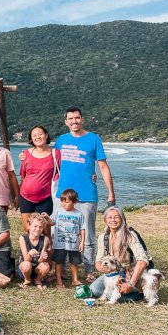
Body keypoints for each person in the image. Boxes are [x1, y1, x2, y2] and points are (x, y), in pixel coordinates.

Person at [56, 106, 115, 282]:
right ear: (66, 122)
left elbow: (103, 166)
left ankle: (89, 269)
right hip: (64, 195)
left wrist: (111, 193)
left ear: (82, 119)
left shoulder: (93, 139)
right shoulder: (61, 140)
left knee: (87, 233)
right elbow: (48, 160)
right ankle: (64, 268)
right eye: (70, 119)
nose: (74, 121)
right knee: (64, 232)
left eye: (77, 118)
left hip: (87, 194)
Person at [89, 207, 151, 303]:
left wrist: (131, 283)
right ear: (105, 220)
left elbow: (142, 260)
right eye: (109, 217)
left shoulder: (130, 235)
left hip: (130, 273)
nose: (113, 220)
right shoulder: (103, 237)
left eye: (116, 217)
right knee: (94, 289)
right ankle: (118, 292)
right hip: (113, 273)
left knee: (111, 295)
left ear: (122, 219)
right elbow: (98, 259)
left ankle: (138, 292)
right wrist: (104, 268)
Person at [18, 125, 60, 233]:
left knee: (45, 231)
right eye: (34, 135)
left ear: (46, 136)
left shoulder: (55, 153)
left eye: (40, 134)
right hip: (25, 197)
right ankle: (29, 250)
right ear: (31, 139)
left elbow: (63, 172)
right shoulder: (26, 154)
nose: (38, 137)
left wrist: (91, 175)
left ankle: (46, 250)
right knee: (28, 229)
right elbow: (23, 176)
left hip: (45, 198)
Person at [42, 188, 85, 289]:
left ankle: (75, 280)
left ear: (75, 202)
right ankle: (59, 281)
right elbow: (51, 222)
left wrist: (82, 241)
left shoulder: (79, 214)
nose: (63, 204)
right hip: (60, 243)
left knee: (74, 262)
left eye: (67, 202)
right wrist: (47, 217)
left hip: (74, 243)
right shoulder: (58, 212)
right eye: (62, 201)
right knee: (59, 261)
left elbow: (82, 228)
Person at [17, 212, 51, 289]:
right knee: (26, 265)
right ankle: (27, 280)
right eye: (35, 226)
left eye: (40, 227)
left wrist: (43, 257)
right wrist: (30, 254)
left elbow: (40, 261)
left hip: (36, 268)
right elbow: (26, 259)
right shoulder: (23, 238)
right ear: (28, 226)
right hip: (24, 269)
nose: (37, 229)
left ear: (43, 228)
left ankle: (37, 279)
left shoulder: (45, 239)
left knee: (46, 265)